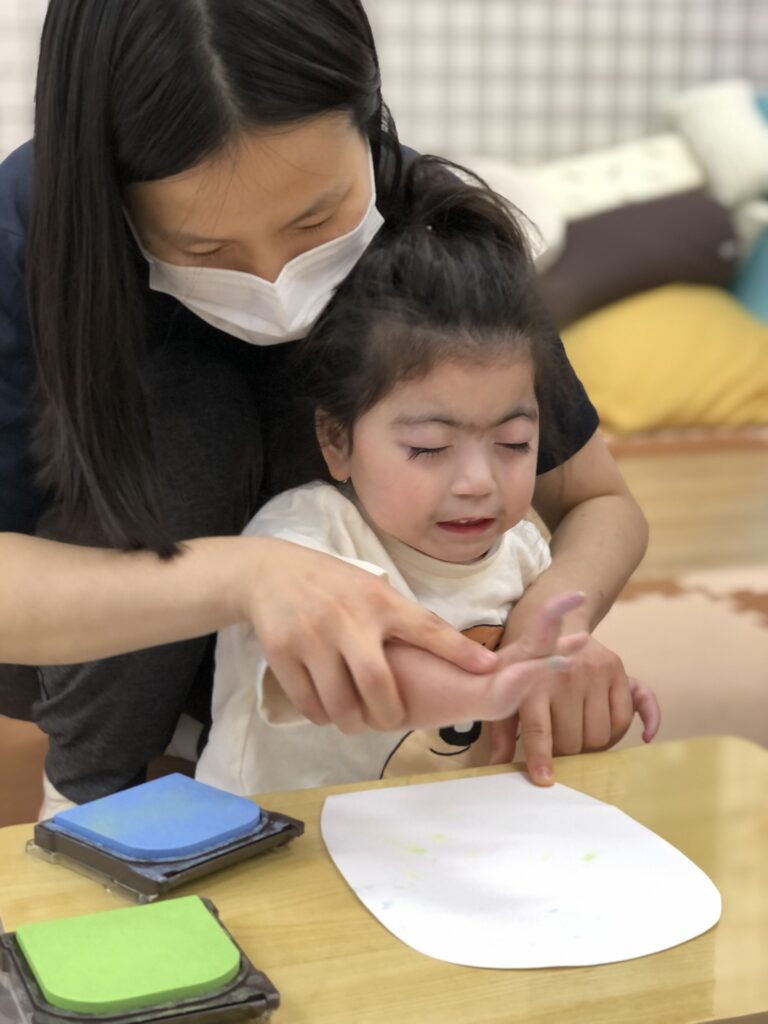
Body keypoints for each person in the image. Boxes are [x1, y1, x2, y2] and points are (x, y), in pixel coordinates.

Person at [0, 0, 649, 810]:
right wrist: (248, 576)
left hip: (373, 691)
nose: (276, 281)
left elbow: (599, 502)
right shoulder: (27, 236)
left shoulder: (433, 239)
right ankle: (102, 782)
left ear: (369, 118)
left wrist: (545, 635)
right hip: (103, 636)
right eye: (204, 248)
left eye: (316, 219)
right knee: (189, 413)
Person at [196, 158, 659, 795]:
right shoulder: (302, 540)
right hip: (279, 832)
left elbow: (546, 664)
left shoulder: (524, 553)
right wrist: (509, 679)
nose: (478, 482)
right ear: (337, 440)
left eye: (514, 443)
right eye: (429, 448)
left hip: (435, 834)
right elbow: (367, 670)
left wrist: (582, 684)